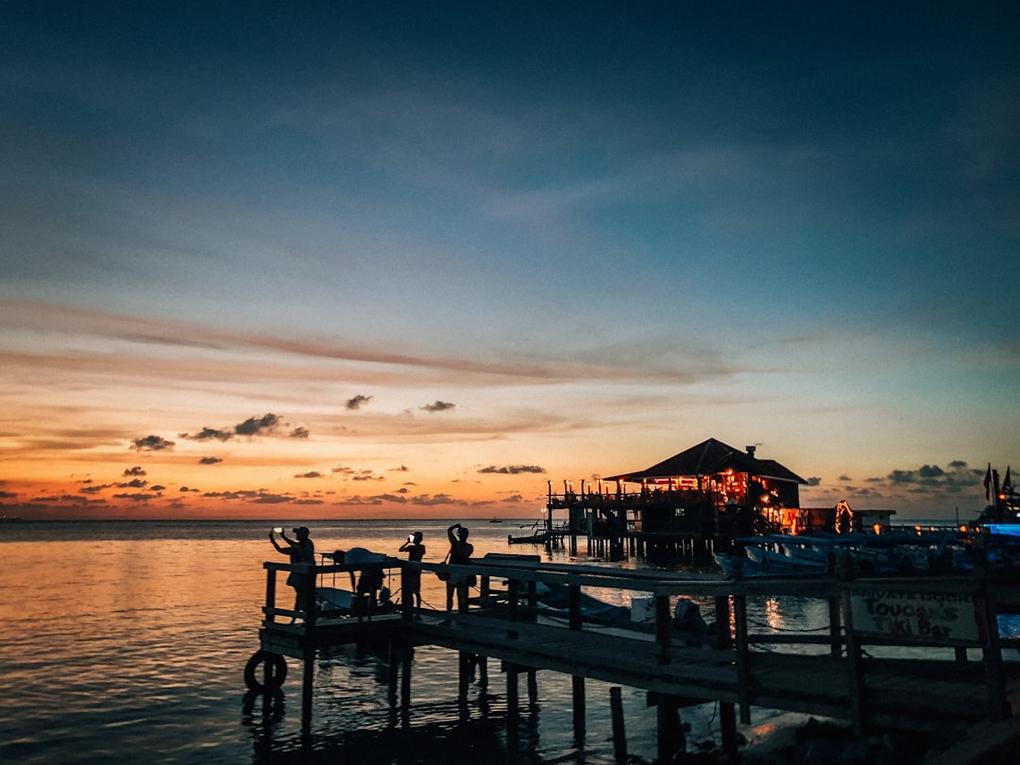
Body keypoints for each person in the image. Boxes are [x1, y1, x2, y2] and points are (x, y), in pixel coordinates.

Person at [270, 527, 315, 618]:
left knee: (302, 596)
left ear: (302, 535)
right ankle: (303, 616)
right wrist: (283, 537)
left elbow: (281, 550)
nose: (296, 535)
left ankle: (302, 615)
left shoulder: (297, 547)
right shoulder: (309, 543)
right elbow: (294, 544)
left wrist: (273, 541)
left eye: (298, 534)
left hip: (300, 575)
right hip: (309, 573)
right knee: (305, 595)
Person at [445, 523, 474, 610]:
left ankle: (449, 616)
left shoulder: (455, 544)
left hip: (453, 572)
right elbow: (465, 556)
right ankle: (461, 614)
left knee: (450, 596)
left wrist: (456, 526)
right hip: (463, 573)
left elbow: (449, 530)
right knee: (461, 596)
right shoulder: (469, 547)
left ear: (459, 535)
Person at [398, 532, 426, 608]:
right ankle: (416, 609)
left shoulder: (412, 547)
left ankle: (412, 609)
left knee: (411, 591)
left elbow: (400, 549)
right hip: (417, 570)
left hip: (411, 571)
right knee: (416, 592)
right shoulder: (422, 547)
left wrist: (407, 542)